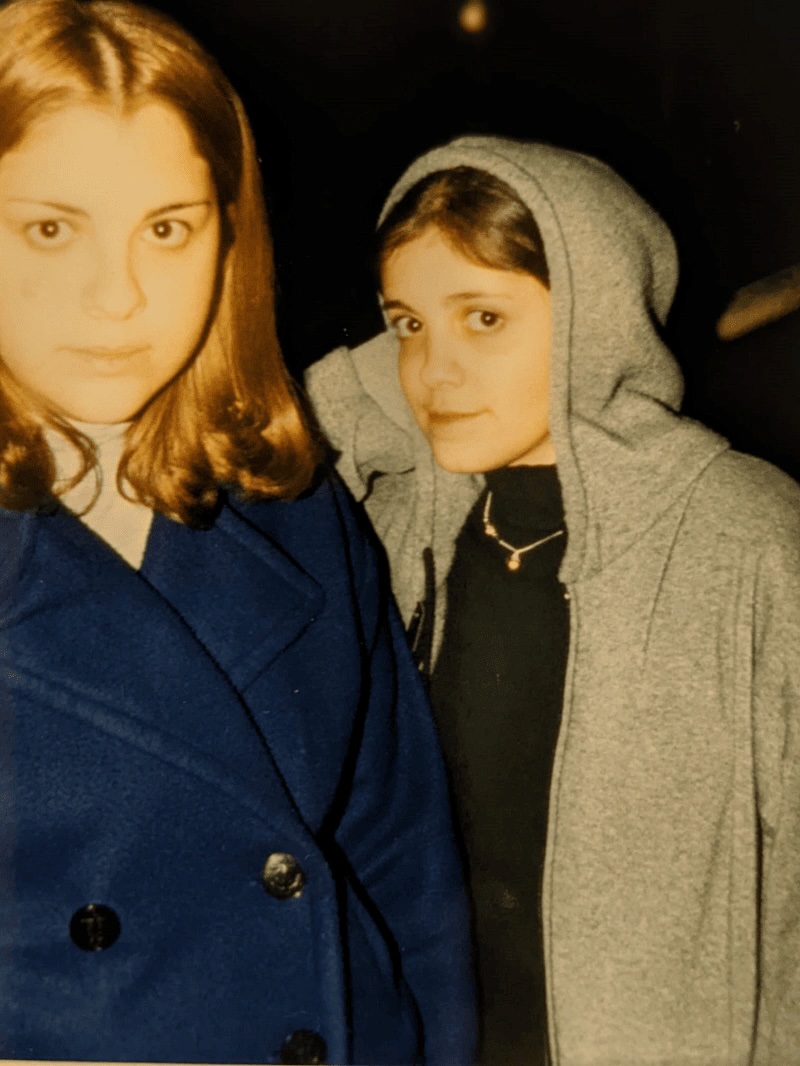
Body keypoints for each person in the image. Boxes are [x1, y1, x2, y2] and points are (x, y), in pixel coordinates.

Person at [0, 3, 476, 1062]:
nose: (117, 296)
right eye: (49, 227)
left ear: (228, 237)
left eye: (166, 227)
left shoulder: (292, 503)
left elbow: (403, 868)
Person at [307, 136, 800, 1065]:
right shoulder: (398, 519)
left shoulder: (750, 537)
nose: (432, 372)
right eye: (406, 324)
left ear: (596, 315)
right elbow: (287, 435)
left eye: (483, 318)